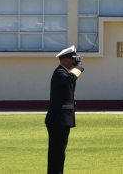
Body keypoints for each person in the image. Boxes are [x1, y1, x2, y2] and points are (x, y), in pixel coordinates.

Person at [45, 45, 85, 174]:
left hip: (61, 119)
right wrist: (79, 67)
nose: (75, 62)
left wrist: (76, 67)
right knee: (57, 151)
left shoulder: (64, 72)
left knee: (59, 151)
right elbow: (70, 79)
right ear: (66, 60)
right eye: (73, 59)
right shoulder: (60, 72)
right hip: (58, 120)